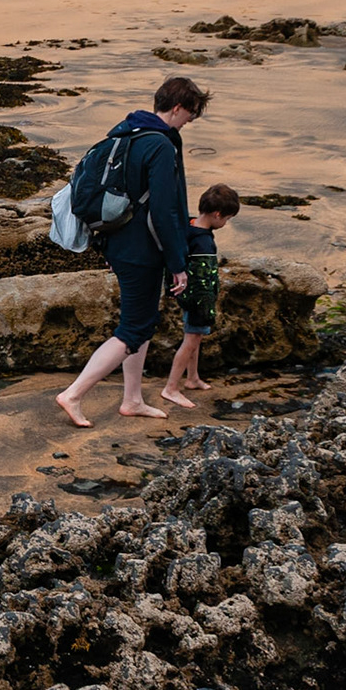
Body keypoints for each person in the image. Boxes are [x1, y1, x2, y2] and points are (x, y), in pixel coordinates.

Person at [55, 75, 210, 427]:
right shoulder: (159, 145)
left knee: (139, 323)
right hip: (142, 250)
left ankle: (133, 399)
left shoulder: (124, 134)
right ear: (177, 108)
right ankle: (74, 394)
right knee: (134, 327)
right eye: (191, 115)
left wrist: (106, 247)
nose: (189, 122)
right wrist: (178, 263)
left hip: (119, 243)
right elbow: (165, 211)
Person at [160, 184, 241, 409]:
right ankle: (171, 387)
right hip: (198, 300)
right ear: (217, 215)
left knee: (194, 338)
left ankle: (193, 378)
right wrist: (207, 307)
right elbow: (204, 277)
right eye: (227, 218)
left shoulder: (189, 225)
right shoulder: (204, 242)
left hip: (185, 294)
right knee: (190, 341)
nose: (225, 223)